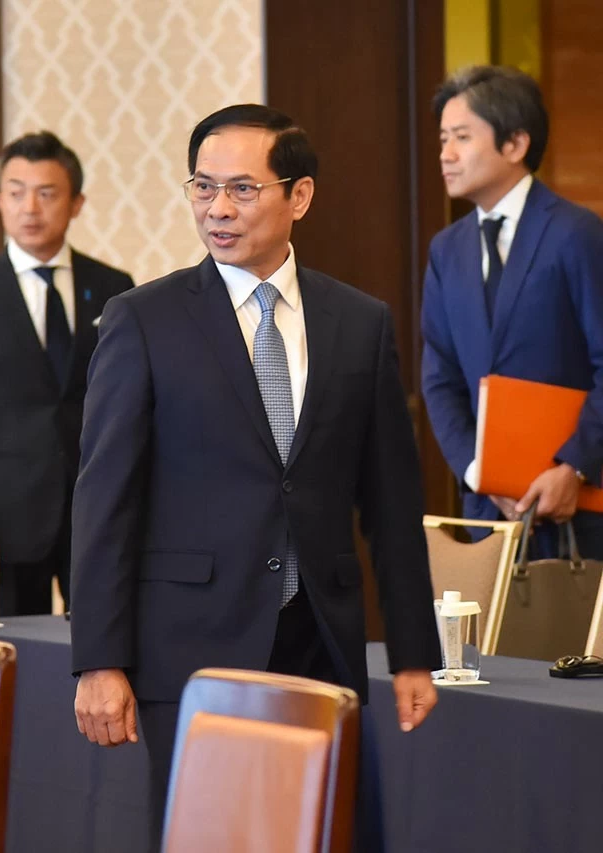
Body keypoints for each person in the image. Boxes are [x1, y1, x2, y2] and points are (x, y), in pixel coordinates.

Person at [68, 104, 440, 850]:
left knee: (323, 832)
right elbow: (104, 502)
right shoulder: (143, 319)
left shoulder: (358, 323)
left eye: (242, 188)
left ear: (298, 196)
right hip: (189, 644)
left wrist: (411, 651)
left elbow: (393, 504)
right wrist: (99, 660)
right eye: (203, 188)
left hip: (321, 641)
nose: (218, 209)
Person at [0, 131, 133, 616]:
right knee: (14, 653)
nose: (30, 208)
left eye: (46, 193)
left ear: (76, 203)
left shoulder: (115, 289)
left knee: (103, 640)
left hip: (97, 507)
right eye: (16, 192)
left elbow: (130, 404)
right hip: (7, 515)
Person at [421, 65, 603, 559]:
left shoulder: (576, 233)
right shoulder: (446, 249)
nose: (446, 154)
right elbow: (440, 378)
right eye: (442, 138)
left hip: (578, 510)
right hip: (488, 514)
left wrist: (575, 467)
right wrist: (478, 471)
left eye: (462, 137)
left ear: (515, 144)